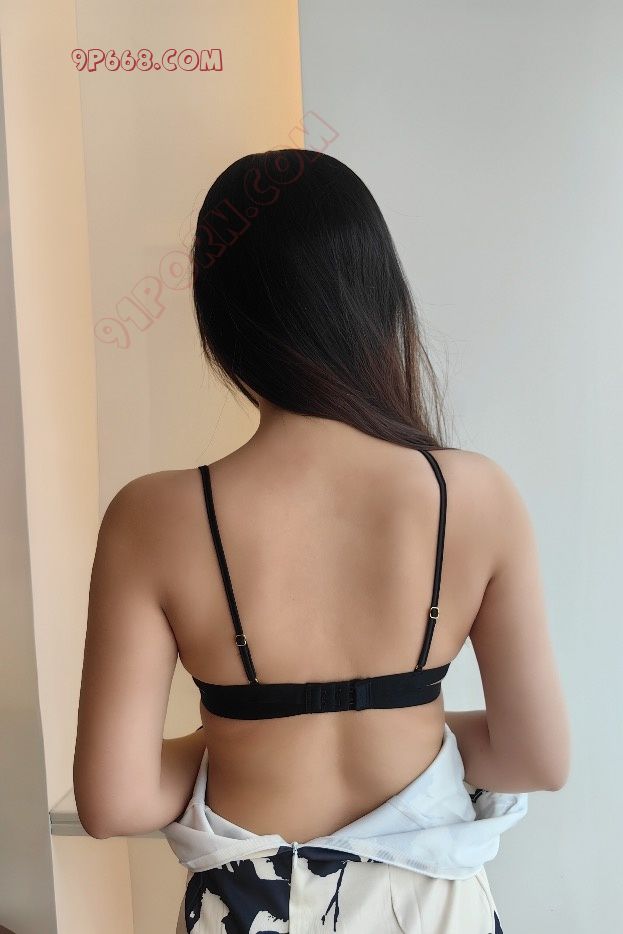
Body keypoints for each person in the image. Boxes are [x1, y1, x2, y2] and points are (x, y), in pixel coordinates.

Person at [73, 149, 570, 933]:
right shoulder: (475, 496)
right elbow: (535, 758)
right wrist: (402, 727)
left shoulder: (153, 516)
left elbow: (116, 799)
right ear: (378, 300)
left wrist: (245, 736)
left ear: (221, 317)